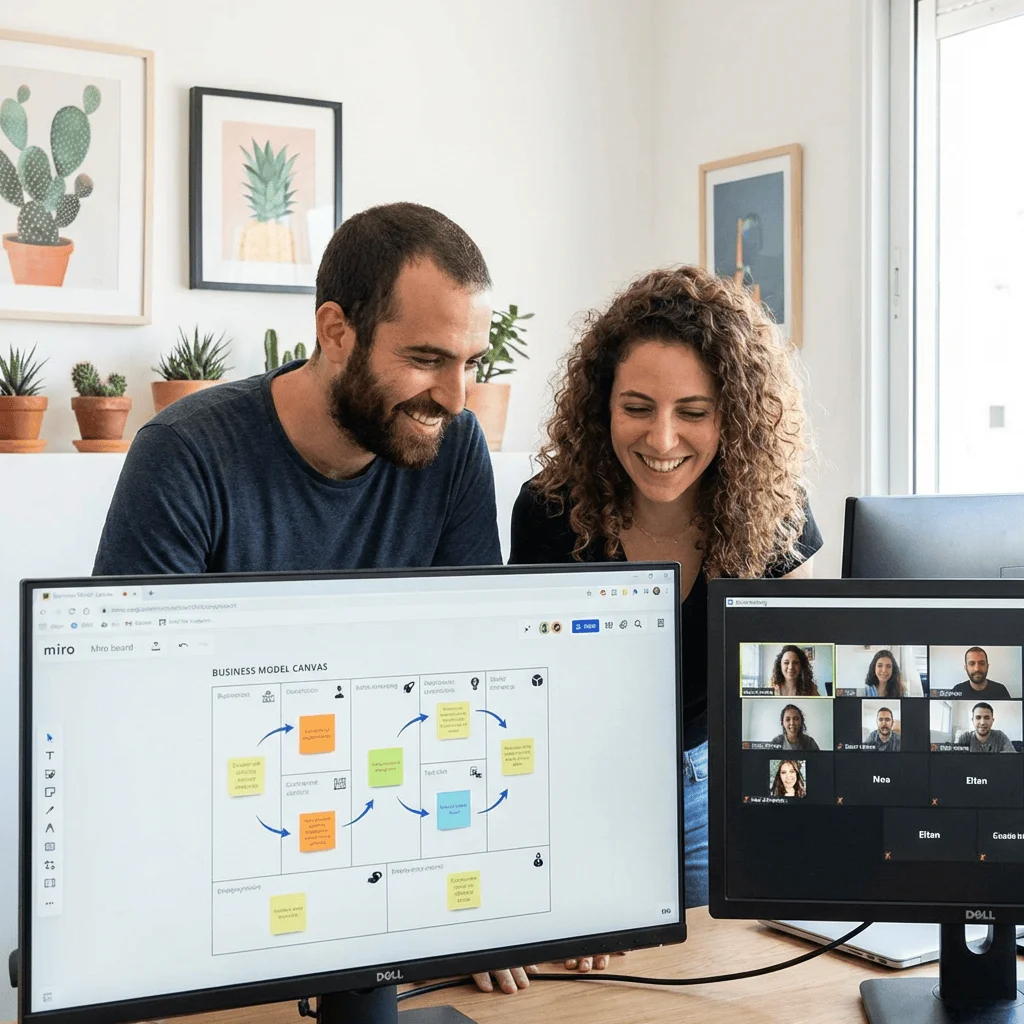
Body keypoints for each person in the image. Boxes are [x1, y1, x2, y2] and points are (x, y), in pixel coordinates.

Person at [91, 201, 529, 997]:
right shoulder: (186, 457)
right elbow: (133, 719)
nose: (458, 398)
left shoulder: (452, 445)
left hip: (388, 845)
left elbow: (469, 675)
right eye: (427, 358)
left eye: (470, 360)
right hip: (215, 862)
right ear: (335, 331)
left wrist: (473, 894)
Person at [508, 263, 821, 913]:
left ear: (733, 415)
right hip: (579, 788)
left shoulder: (776, 515)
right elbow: (528, 698)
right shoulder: (547, 511)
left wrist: (802, 839)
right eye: (637, 408)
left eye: (694, 412)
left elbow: (794, 701)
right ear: (603, 407)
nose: (662, 439)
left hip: (713, 783)